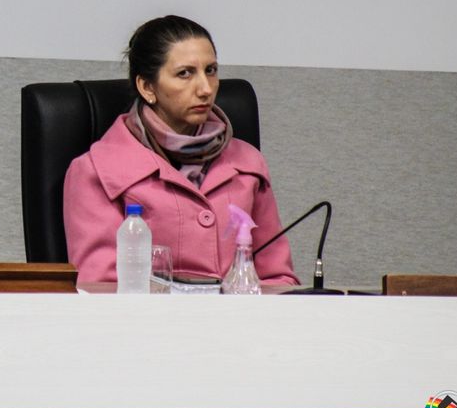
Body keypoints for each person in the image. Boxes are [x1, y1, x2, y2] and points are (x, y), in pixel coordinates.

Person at [63, 15, 298, 285]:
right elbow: (101, 286)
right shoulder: (96, 172)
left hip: (239, 313)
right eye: (185, 73)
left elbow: (277, 278)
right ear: (147, 87)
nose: (205, 89)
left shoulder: (249, 164)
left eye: (211, 70)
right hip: (146, 313)